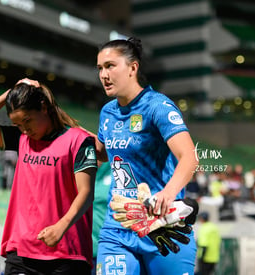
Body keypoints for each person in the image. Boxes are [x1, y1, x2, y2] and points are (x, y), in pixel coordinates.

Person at [0, 79, 97, 274]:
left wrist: (61, 226)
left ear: (43, 107)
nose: (25, 129)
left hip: (68, 252)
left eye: (27, 120)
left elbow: (86, 192)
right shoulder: (22, 139)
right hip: (22, 253)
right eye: (18, 124)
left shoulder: (78, 140)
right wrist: (10, 93)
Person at [94, 37, 199, 275]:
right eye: (100, 68)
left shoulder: (158, 107)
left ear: (133, 67)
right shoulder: (107, 112)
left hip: (162, 227)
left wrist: (167, 193)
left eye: (110, 66)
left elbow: (189, 156)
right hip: (118, 227)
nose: (103, 74)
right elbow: (99, 153)